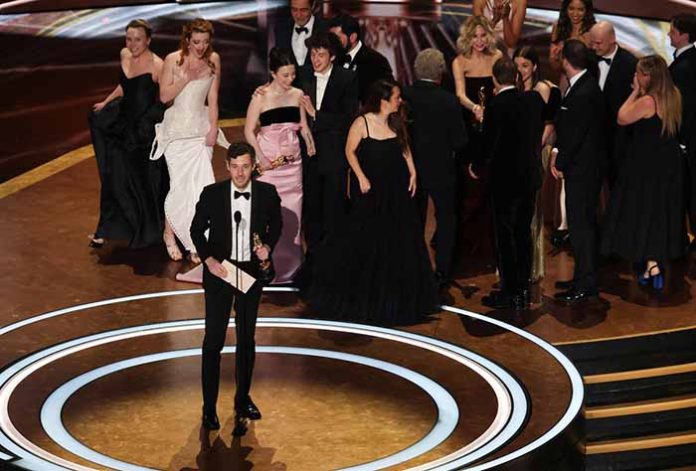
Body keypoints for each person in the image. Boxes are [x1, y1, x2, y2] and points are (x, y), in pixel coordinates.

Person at [301, 79, 439, 325]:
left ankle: (398, 298)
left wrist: (412, 171)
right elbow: (349, 151)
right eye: (396, 97)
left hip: (396, 189)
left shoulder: (396, 121)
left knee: (398, 239)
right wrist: (361, 177)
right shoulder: (362, 123)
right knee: (368, 239)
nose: (400, 101)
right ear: (383, 100)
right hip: (371, 190)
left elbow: (404, 147)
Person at [191, 142, 282, 437]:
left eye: (245, 167)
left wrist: (268, 247)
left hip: (248, 275)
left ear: (253, 165)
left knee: (246, 340)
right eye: (234, 167)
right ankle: (209, 407)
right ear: (227, 167)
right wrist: (209, 260)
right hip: (221, 273)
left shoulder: (267, 194)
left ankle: (242, 399)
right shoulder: (212, 194)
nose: (240, 173)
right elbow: (195, 230)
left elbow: (276, 225)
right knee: (213, 341)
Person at [602, 56, 686, 289]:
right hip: (669, 163)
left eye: (639, 73)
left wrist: (635, 92)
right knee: (660, 212)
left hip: (646, 165)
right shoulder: (674, 96)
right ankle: (653, 263)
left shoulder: (648, 101)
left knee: (644, 211)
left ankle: (651, 264)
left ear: (648, 76)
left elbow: (622, 117)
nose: (635, 77)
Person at [151, 18, 229, 263]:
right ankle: (169, 233)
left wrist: (213, 128)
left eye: (205, 42)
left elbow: (213, 99)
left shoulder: (214, 59)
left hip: (200, 130)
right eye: (196, 42)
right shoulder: (172, 59)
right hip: (176, 131)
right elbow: (164, 96)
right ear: (187, 40)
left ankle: (196, 240)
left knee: (202, 188)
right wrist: (186, 77)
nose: (201, 47)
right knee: (180, 187)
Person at [88, 19, 166, 249]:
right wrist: (106, 102)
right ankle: (105, 230)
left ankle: (146, 230)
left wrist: (153, 124)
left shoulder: (158, 65)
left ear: (148, 40)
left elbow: (165, 99)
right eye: (129, 39)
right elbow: (125, 86)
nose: (132, 44)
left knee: (138, 183)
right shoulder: (124, 54)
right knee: (112, 178)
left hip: (142, 133)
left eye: (138, 40)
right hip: (121, 125)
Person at [470, 58, 540, 309]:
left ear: (494, 79)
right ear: (516, 77)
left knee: (505, 237)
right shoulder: (532, 101)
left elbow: (489, 144)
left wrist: (476, 165)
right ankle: (523, 289)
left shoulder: (496, 106)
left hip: (505, 183)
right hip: (529, 179)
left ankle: (510, 291)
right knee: (523, 234)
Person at [244, 47, 315, 283]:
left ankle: (291, 265)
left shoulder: (298, 94)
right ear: (273, 73)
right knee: (267, 213)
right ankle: (265, 262)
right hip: (269, 164)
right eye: (285, 75)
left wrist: (310, 143)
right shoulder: (260, 96)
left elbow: (303, 126)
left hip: (293, 165)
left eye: (293, 74)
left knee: (294, 212)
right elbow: (249, 130)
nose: (290, 79)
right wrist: (261, 158)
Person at [403, 48, 468, 287]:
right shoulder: (449, 101)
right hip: (442, 169)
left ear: (416, 70)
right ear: (440, 72)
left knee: (413, 219)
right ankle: (442, 271)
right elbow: (460, 141)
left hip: (410, 170)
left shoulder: (405, 95)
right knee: (446, 219)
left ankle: (412, 268)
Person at [551, 39, 607, 303]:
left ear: (565, 61)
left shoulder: (584, 91)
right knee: (579, 225)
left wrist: (559, 162)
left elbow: (575, 135)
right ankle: (582, 277)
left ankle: (586, 283)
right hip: (583, 168)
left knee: (582, 226)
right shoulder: (584, 85)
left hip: (583, 170)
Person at [299, 32, 359, 250]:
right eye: (313, 54)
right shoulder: (303, 74)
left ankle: (334, 257)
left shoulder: (347, 78)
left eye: (321, 55)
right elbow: (282, 87)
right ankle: (313, 256)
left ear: (332, 56)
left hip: (334, 157)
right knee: (311, 209)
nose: (315, 60)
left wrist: (315, 114)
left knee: (334, 210)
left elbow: (348, 119)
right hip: (309, 156)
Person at [513, 45, 559, 283]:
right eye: (517, 66)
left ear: (534, 67)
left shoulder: (543, 88)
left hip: (537, 153)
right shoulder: (515, 89)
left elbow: (549, 124)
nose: (521, 70)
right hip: (520, 154)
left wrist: (533, 147)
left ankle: (532, 267)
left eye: (525, 66)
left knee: (533, 210)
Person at [589, 20, 638, 188]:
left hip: (618, 139)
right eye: (592, 42)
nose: (594, 47)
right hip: (592, 138)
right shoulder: (588, 59)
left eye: (598, 43)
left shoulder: (630, 64)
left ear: (612, 39)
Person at [668, 14, 696, 252]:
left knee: (687, 195)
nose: (668, 34)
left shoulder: (684, 67)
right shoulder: (688, 62)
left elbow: (686, 108)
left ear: (684, 35)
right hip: (687, 144)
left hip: (686, 145)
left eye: (673, 31)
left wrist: (681, 142)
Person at [329, 13, 394, 104]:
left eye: (337, 38)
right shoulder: (330, 58)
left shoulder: (376, 61)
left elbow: (385, 97)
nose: (332, 43)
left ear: (352, 37)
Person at [273, 0, 327, 84]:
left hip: (319, 86)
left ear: (312, 7)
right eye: (294, 10)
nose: (298, 15)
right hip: (289, 88)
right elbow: (277, 61)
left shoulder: (325, 28)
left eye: (303, 10)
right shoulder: (281, 29)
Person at [549, 0, 597, 90]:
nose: (575, 14)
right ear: (565, 8)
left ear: (587, 10)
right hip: (564, 80)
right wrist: (556, 56)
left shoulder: (593, 30)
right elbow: (553, 65)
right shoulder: (558, 26)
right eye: (571, 8)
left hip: (587, 83)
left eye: (580, 9)